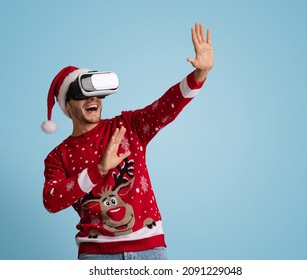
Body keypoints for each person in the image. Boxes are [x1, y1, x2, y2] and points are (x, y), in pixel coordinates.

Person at [41, 23, 214, 260]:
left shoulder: (127, 126)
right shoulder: (57, 157)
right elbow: (51, 201)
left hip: (150, 251)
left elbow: (165, 107)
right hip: (96, 256)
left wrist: (199, 75)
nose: (93, 100)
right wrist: (99, 169)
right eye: (82, 94)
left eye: (96, 93)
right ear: (67, 105)